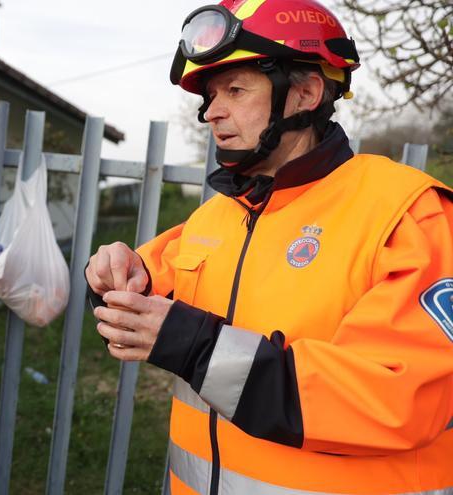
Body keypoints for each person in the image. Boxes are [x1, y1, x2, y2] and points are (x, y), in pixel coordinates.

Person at [85, 1, 453, 494]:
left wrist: (195, 345)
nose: (212, 111)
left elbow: (396, 399)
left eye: (234, 90)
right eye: (211, 95)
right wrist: (111, 274)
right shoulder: (220, 214)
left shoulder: (409, 213)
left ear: (305, 93)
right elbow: (142, 284)